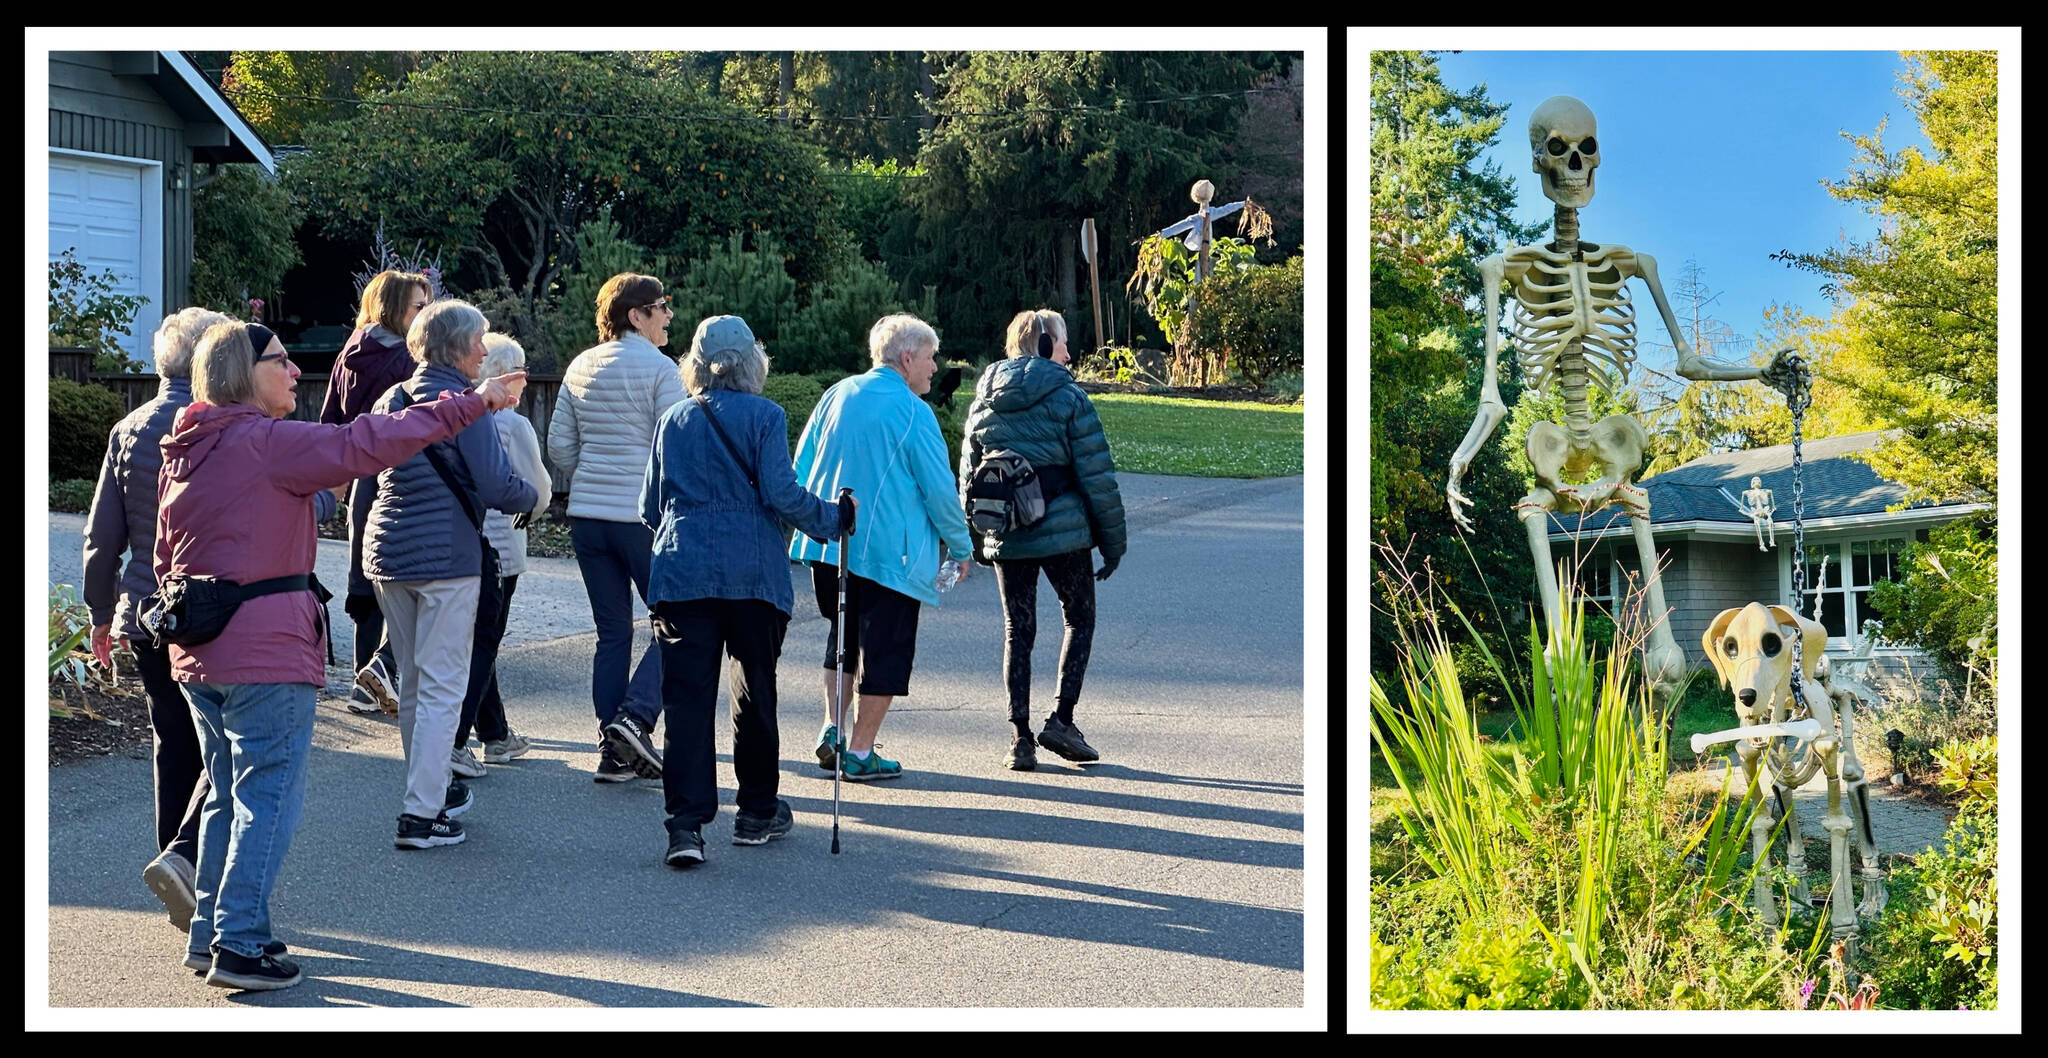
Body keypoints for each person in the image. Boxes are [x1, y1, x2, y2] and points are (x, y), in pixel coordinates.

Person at [157, 320, 524, 990]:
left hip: (199, 653)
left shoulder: (186, 448)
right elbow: (372, 442)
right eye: (281, 360)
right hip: (266, 649)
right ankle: (239, 944)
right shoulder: (265, 442)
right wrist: (477, 401)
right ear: (243, 372)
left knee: (223, 798)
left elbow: (164, 556)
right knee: (265, 797)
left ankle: (213, 933)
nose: (296, 371)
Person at [633, 316, 854, 867]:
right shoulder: (766, 416)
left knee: (686, 701)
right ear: (753, 362)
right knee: (754, 689)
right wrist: (835, 518)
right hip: (754, 576)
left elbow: (648, 507)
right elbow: (781, 494)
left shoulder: (673, 420)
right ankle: (756, 810)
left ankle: (685, 827)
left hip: (683, 573)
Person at [80, 306, 255, 932]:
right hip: (211, 611)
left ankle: (172, 865)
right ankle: (199, 869)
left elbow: (103, 538)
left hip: (145, 610)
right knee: (228, 744)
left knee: (172, 741)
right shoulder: (224, 425)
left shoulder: (128, 428)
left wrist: (101, 615)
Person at [363, 301, 538, 851]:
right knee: (441, 686)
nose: (485, 351)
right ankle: (421, 814)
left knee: (414, 685)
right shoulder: (463, 407)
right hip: (446, 560)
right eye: (480, 341)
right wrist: (533, 496)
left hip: (387, 554)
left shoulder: (391, 397)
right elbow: (497, 485)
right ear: (458, 349)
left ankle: (429, 792)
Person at [789, 313, 974, 781]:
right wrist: (961, 546)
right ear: (907, 358)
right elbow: (938, 490)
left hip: (831, 546)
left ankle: (832, 728)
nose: (935, 368)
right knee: (886, 652)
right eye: (930, 358)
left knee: (842, 638)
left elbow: (802, 463)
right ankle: (860, 750)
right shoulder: (914, 412)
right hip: (892, 554)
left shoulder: (837, 393)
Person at [959, 309, 1128, 770]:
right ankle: (1062, 720)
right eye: (1064, 343)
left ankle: (1019, 738)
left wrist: (974, 538)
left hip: (1006, 532)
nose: (1069, 353)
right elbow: (1097, 478)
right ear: (1045, 344)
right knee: (1079, 619)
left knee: (1018, 629)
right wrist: (1113, 544)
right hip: (1063, 533)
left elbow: (968, 479)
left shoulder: (983, 401)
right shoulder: (1069, 397)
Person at [548, 273, 685, 782]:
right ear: (636, 315)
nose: (669, 315)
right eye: (661, 306)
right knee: (677, 621)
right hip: (641, 519)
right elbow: (676, 447)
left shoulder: (580, 364)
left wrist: (594, 470)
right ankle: (635, 718)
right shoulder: (660, 369)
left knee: (611, 632)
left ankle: (612, 749)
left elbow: (560, 448)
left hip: (588, 517)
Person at [320, 269, 435, 716]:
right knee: (403, 578)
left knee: (364, 579)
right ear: (393, 309)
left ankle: (361, 682)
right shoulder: (406, 362)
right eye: (418, 307)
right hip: (396, 475)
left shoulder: (350, 351)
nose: (425, 315)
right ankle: (379, 678)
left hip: (355, 473)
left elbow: (331, 417)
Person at [452, 332, 553, 772]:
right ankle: (467, 738)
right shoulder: (513, 424)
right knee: (486, 642)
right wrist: (536, 510)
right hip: (503, 543)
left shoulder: (457, 413)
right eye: (522, 372)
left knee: (473, 639)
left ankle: (495, 733)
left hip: (464, 537)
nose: (526, 381)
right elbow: (538, 486)